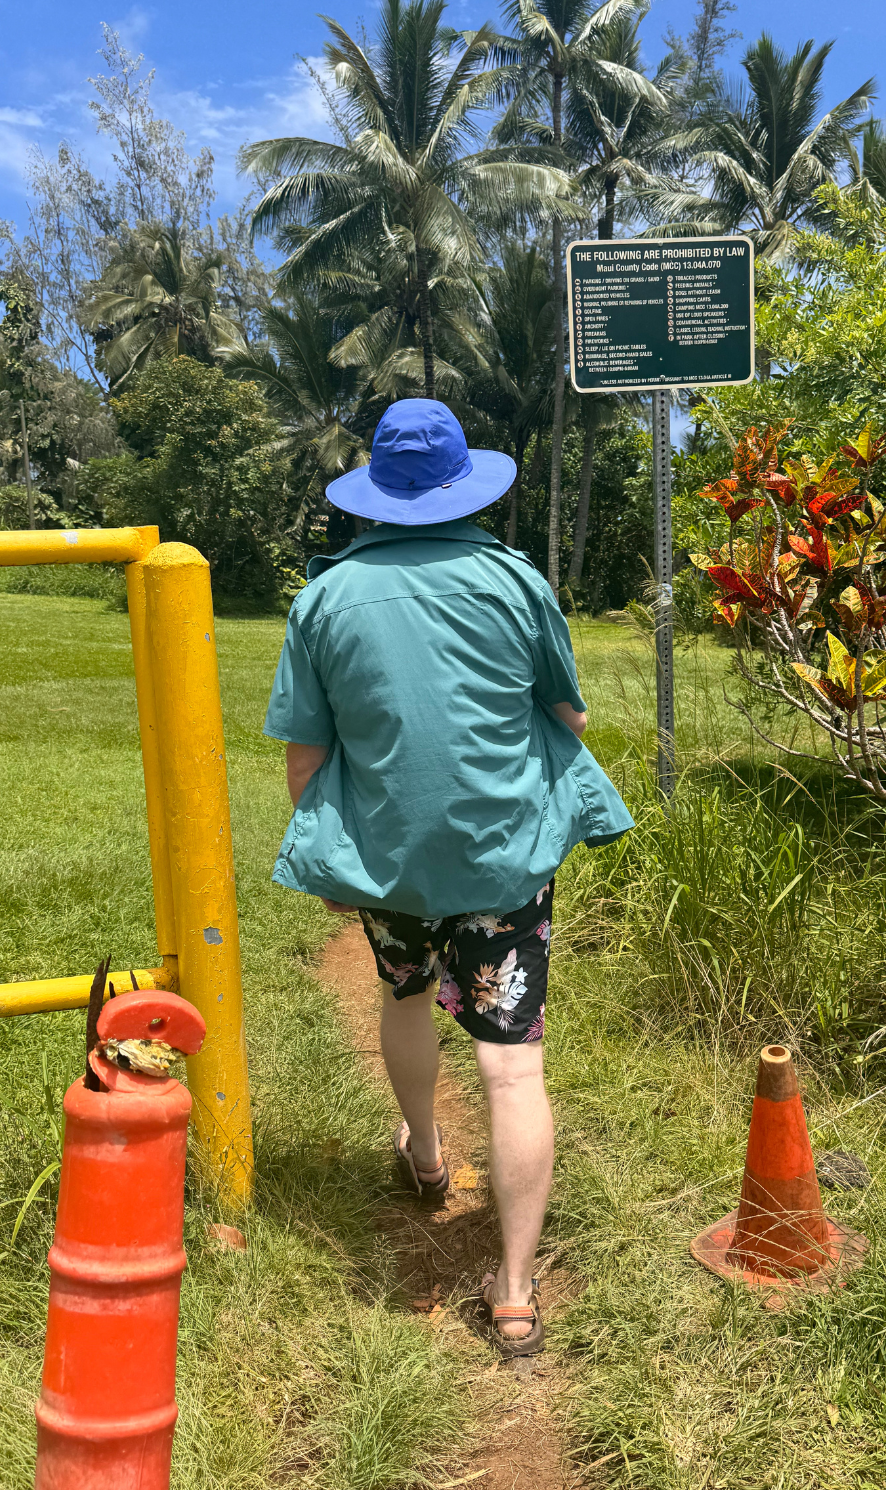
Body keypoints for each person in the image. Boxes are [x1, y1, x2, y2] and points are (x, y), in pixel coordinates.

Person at [264, 399, 633, 1357]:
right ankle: (514, 1292)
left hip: (386, 858)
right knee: (513, 1065)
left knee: (406, 996)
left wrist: (333, 867)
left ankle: (426, 1157)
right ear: (465, 486)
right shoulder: (516, 582)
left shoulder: (323, 600)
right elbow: (570, 715)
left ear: (376, 495)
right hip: (504, 855)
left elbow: (306, 759)